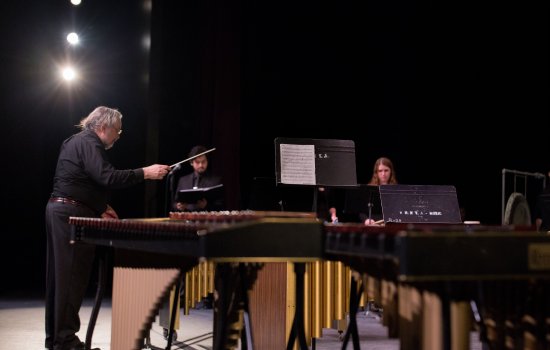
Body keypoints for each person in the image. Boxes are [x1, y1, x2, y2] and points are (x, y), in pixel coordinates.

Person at [45, 106, 170, 350]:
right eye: (117, 131)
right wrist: (145, 173)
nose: (118, 136)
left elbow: (78, 180)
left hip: (59, 210)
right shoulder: (90, 142)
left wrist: (100, 206)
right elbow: (107, 177)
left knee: (59, 280)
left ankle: (57, 340)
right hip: (71, 215)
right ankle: (66, 342)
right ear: (104, 127)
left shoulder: (74, 141)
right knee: (71, 279)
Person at [173, 145, 223, 212]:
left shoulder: (215, 180)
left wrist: (206, 206)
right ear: (191, 163)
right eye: (197, 162)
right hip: (186, 219)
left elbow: (221, 206)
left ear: (207, 161)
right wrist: (178, 206)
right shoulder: (183, 180)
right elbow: (174, 203)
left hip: (207, 220)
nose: (201, 165)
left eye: (203, 161)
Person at [362, 156, 398, 225]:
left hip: (390, 226)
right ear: (376, 173)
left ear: (391, 171)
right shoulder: (369, 189)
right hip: (372, 225)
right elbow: (361, 211)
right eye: (380, 171)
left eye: (386, 170)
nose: (383, 174)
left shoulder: (396, 190)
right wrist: (366, 220)